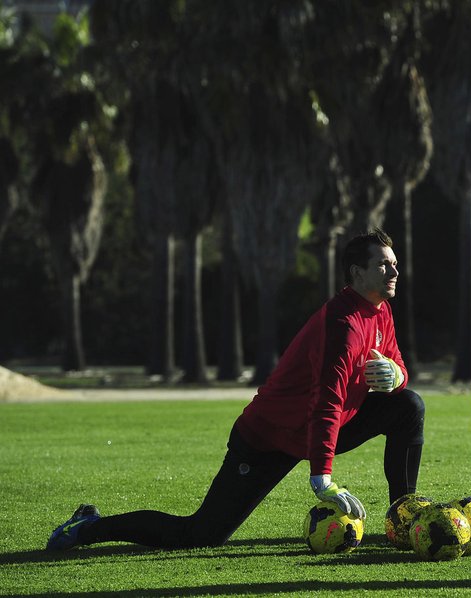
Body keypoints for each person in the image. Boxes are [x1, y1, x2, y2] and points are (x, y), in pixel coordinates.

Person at [47, 230, 425, 550]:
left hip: (318, 430)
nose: (394, 270)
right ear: (357, 273)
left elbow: (398, 367)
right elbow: (325, 402)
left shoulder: (380, 311)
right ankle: (88, 526)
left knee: (408, 404)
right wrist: (322, 478)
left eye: (393, 263)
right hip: (267, 439)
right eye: (383, 264)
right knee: (200, 534)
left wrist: (397, 375)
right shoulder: (342, 325)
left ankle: (403, 519)